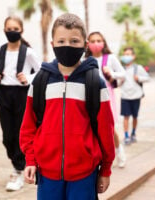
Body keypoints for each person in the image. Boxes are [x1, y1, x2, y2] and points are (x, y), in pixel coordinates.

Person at [19, 13, 115, 200]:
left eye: (74, 41)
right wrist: (30, 159)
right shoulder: (41, 81)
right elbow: (29, 125)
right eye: (61, 41)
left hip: (84, 174)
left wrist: (106, 169)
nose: (67, 46)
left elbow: (106, 129)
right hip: (47, 173)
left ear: (85, 45)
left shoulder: (95, 82)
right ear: (52, 44)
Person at [0, 16, 41, 191]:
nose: (12, 32)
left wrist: (27, 78)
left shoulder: (28, 52)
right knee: (7, 136)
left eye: (15, 29)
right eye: (9, 28)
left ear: (21, 30)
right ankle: (18, 164)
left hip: (21, 94)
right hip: (4, 94)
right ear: (4, 29)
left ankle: (18, 169)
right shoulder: (0, 50)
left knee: (21, 132)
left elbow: (42, 71)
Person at [85, 31, 126, 168]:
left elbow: (123, 74)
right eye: (93, 41)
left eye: (99, 40)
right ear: (88, 44)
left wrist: (111, 73)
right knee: (93, 127)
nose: (96, 43)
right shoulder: (85, 61)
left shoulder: (110, 58)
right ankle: (98, 157)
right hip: (90, 97)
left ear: (103, 42)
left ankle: (119, 152)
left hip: (107, 96)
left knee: (110, 127)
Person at [120, 47, 150, 144]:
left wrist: (139, 78)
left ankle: (133, 133)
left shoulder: (138, 68)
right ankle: (126, 136)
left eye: (128, 54)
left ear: (133, 56)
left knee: (135, 116)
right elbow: (117, 83)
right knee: (125, 117)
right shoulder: (121, 69)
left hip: (136, 96)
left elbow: (148, 78)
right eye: (125, 54)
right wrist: (120, 81)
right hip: (125, 96)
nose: (126, 56)